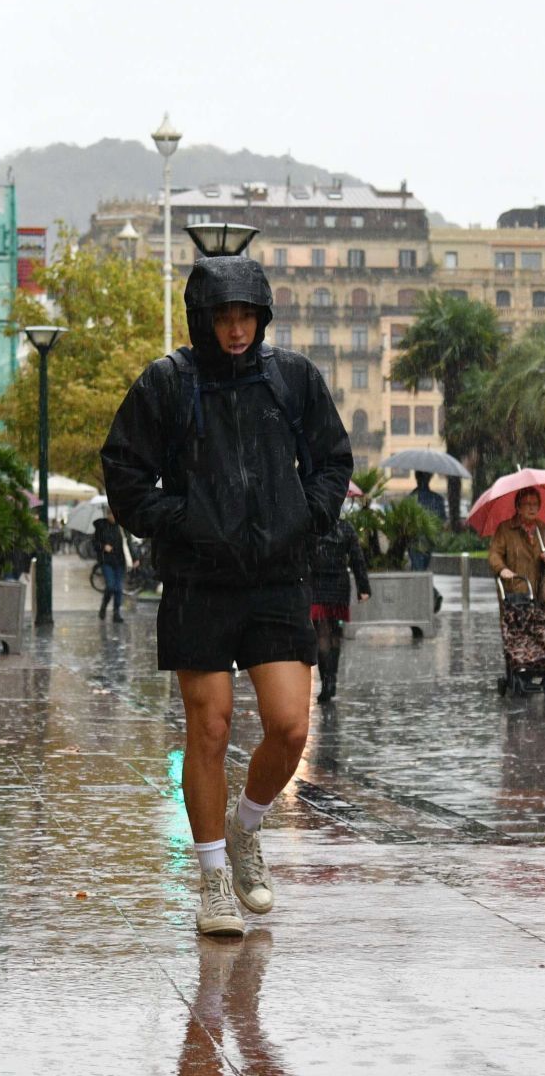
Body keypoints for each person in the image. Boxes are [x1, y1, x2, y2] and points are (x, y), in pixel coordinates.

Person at [102, 251, 353, 938]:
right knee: (208, 728)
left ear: (262, 317)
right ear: (203, 320)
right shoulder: (168, 383)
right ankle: (212, 880)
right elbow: (123, 471)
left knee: (290, 726)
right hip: (198, 580)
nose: (236, 330)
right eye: (224, 317)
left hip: (277, 575)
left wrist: (305, 517)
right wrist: (181, 522)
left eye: (247, 316)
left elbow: (333, 461)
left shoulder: (293, 379)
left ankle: (246, 829)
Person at [309, 516, 371, 703]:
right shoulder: (346, 527)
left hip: (317, 584)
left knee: (322, 633)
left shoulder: (311, 525)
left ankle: (326, 680)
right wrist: (364, 587)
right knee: (335, 632)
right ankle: (331, 680)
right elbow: (357, 558)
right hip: (338, 585)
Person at [489, 487, 545, 602]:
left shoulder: (544, 529)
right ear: (518, 508)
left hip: (539, 593)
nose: (532, 508)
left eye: (535, 504)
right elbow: (494, 554)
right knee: (516, 619)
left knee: (540, 620)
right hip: (514, 592)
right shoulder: (506, 529)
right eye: (527, 504)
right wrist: (502, 569)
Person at [94, 506, 129, 623]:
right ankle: (104, 606)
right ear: (107, 515)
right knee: (110, 586)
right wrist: (104, 547)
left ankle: (116, 612)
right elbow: (94, 544)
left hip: (120, 562)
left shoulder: (122, 527)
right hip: (107, 561)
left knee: (118, 588)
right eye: (110, 514)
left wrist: (134, 558)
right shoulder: (101, 527)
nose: (112, 517)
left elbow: (127, 544)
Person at [408, 472, 446, 571]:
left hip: (415, 539)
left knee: (418, 569)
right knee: (421, 568)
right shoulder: (437, 499)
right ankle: (423, 585)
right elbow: (442, 521)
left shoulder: (411, 498)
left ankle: (422, 585)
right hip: (428, 539)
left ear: (416, 478)